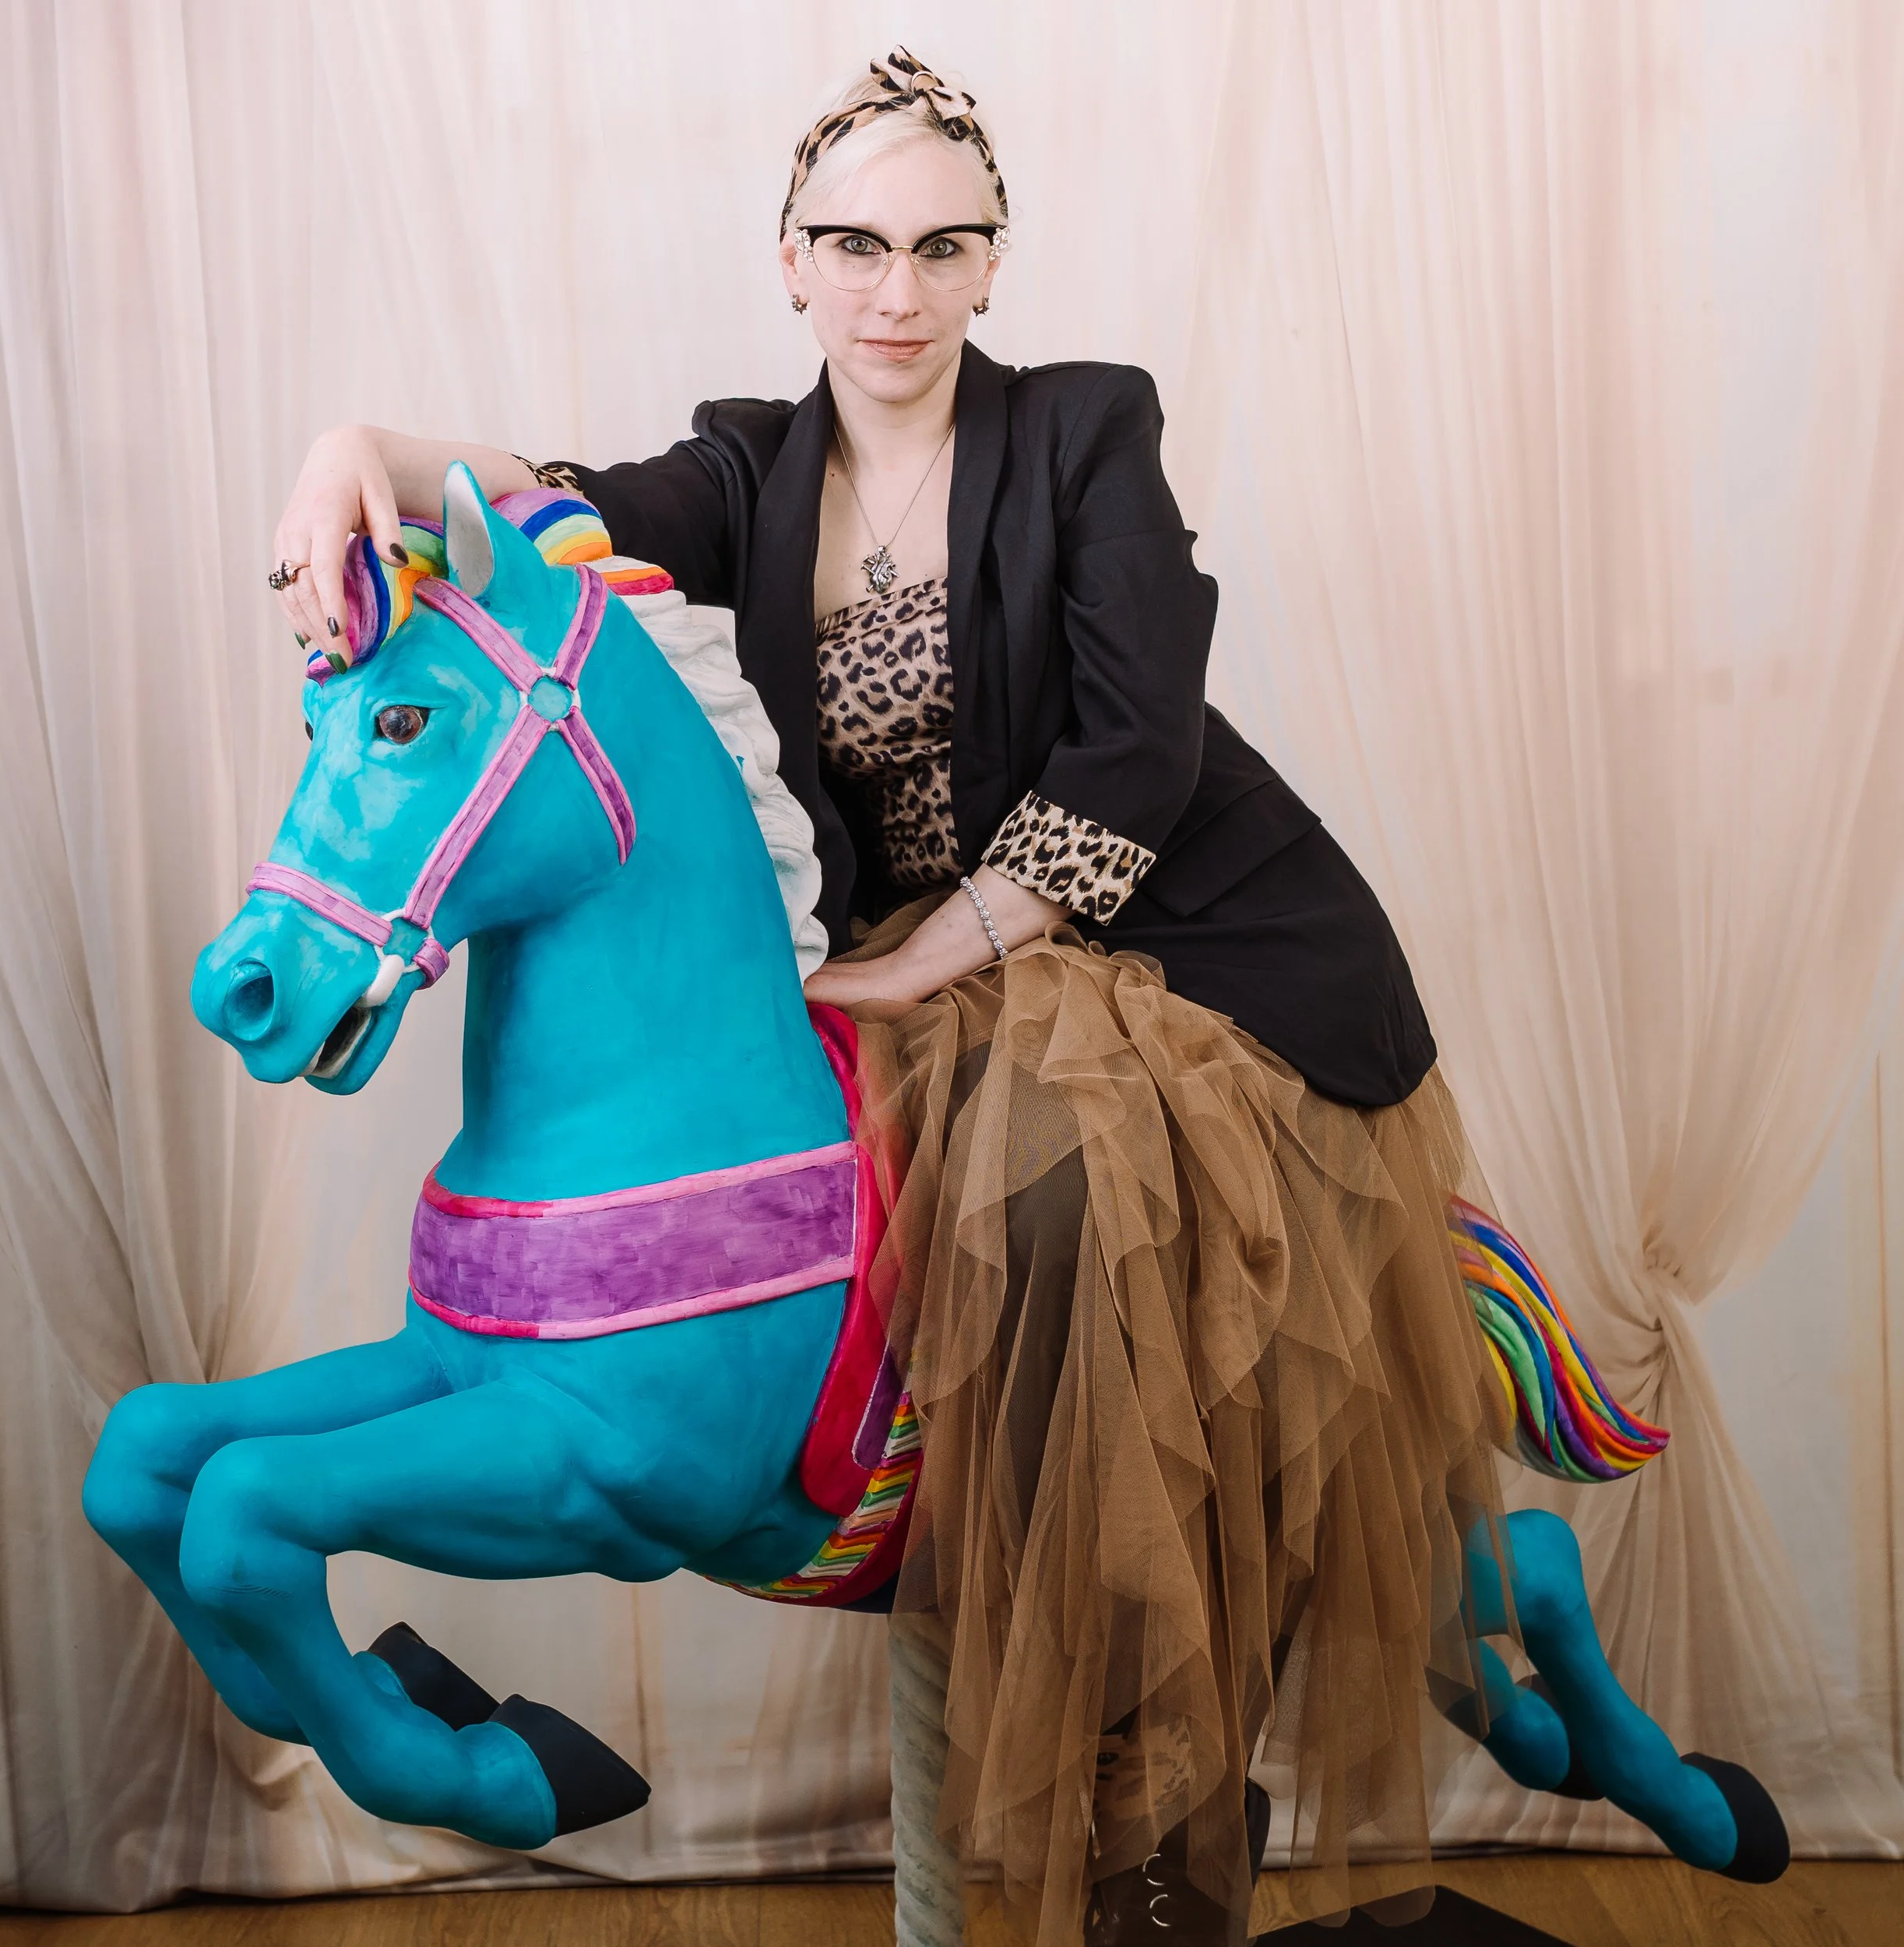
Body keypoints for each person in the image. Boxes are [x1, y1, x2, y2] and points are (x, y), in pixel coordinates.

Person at [270, 48, 1512, 1945]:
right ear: (787, 259)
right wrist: (350, 446)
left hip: (1175, 951)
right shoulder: (746, 466)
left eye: (942, 248)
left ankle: (1167, 1815)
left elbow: (1136, 749)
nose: (894, 291)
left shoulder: (1087, 427)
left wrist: (915, 959)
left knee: (1075, 1244)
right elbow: (538, 500)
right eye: (851, 245)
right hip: (935, 985)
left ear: (992, 265)